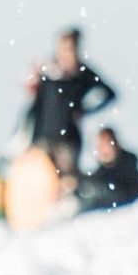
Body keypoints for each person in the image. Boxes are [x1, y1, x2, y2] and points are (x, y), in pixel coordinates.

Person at [25, 28, 117, 178]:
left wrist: (85, 111)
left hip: (68, 140)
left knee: (66, 181)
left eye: (69, 49)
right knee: (37, 180)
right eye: (62, 48)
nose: (64, 53)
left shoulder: (83, 74)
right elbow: (35, 101)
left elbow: (111, 94)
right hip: (42, 137)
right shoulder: (48, 72)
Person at [76, 127, 138, 215]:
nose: (104, 149)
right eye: (101, 146)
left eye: (107, 144)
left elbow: (124, 195)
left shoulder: (127, 165)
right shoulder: (99, 176)